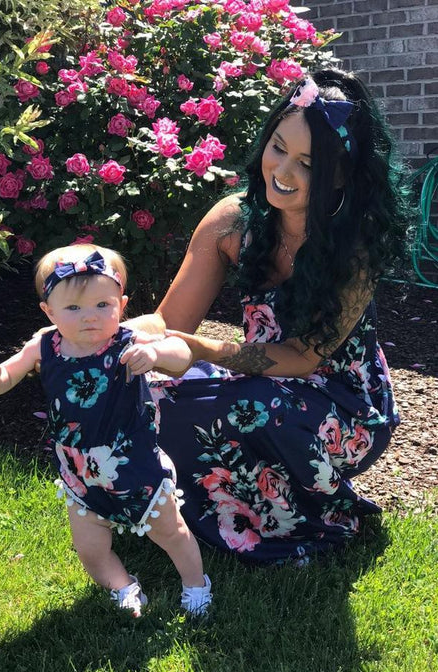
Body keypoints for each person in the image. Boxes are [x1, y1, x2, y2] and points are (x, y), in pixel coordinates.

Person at [130, 68, 413, 565]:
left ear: (341, 175)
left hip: (345, 405)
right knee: (148, 389)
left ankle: (309, 519)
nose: (283, 171)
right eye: (278, 147)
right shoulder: (230, 222)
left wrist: (201, 351)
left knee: (256, 404)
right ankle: (194, 509)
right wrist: (100, 334)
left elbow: (302, 358)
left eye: (309, 164)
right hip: (258, 378)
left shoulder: (356, 246)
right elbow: (168, 319)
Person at [0, 244, 212, 616]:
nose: (90, 318)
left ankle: (196, 586)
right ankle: (122, 585)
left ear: (122, 305)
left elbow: (179, 353)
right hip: (80, 472)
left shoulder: (127, 342)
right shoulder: (44, 345)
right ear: (49, 312)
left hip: (135, 463)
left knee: (171, 533)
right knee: (90, 549)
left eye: (103, 305)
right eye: (74, 308)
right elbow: (5, 378)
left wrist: (157, 355)